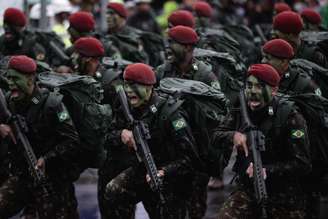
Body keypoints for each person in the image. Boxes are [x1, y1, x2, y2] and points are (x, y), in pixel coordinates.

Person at [214, 63, 311, 219]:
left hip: (284, 198)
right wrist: (233, 136)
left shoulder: (290, 117)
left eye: (259, 86)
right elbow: (216, 136)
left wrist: (267, 170)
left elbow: (303, 164)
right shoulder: (240, 109)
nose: (252, 92)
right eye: (249, 85)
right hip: (248, 190)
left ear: (274, 90)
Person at [104, 63, 199, 219]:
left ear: (149, 87)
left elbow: (190, 159)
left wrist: (164, 172)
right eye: (126, 85)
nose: (128, 91)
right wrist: (121, 134)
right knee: (113, 190)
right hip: (143, 170)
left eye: (134, 86)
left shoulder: (170, 114)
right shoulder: (126, 106)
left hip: (172, 178)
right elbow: (107, 137)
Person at [0, 55, 81, 218]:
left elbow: (72, 141)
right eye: (7, 78)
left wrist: (47, 158)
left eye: (15, 79)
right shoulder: (9, 100)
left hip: (52, 181)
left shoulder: (53, 104)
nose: (10, 83)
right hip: (22, 175)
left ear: (30, 79)